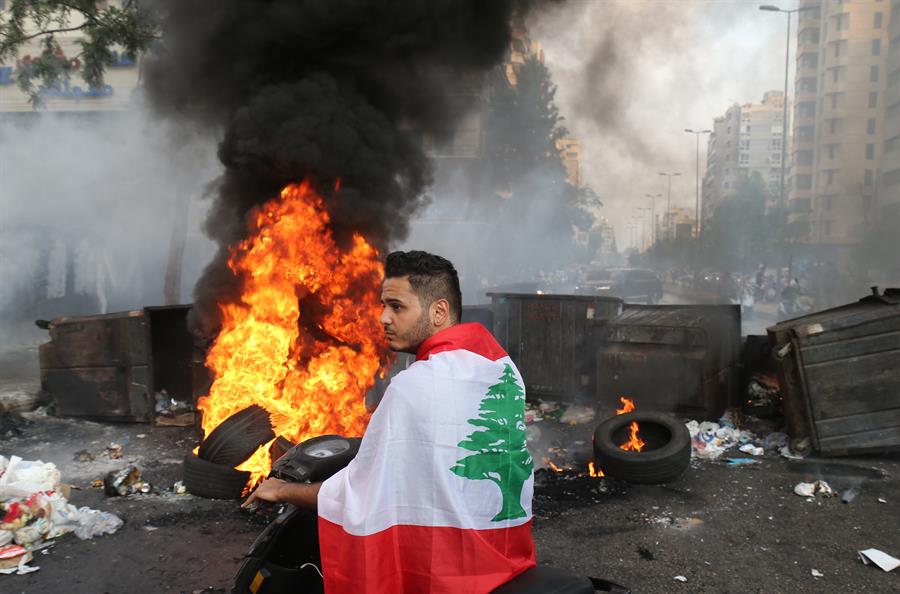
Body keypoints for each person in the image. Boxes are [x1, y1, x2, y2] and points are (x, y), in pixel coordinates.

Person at [243, 250, 536, 593]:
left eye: (397, 307)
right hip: (505, 557)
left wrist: (282, 490)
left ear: (439, 311)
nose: (383, 317)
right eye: (383, 305)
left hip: (445, 575)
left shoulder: (413, 385)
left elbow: (361, 496)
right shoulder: (502, 370)